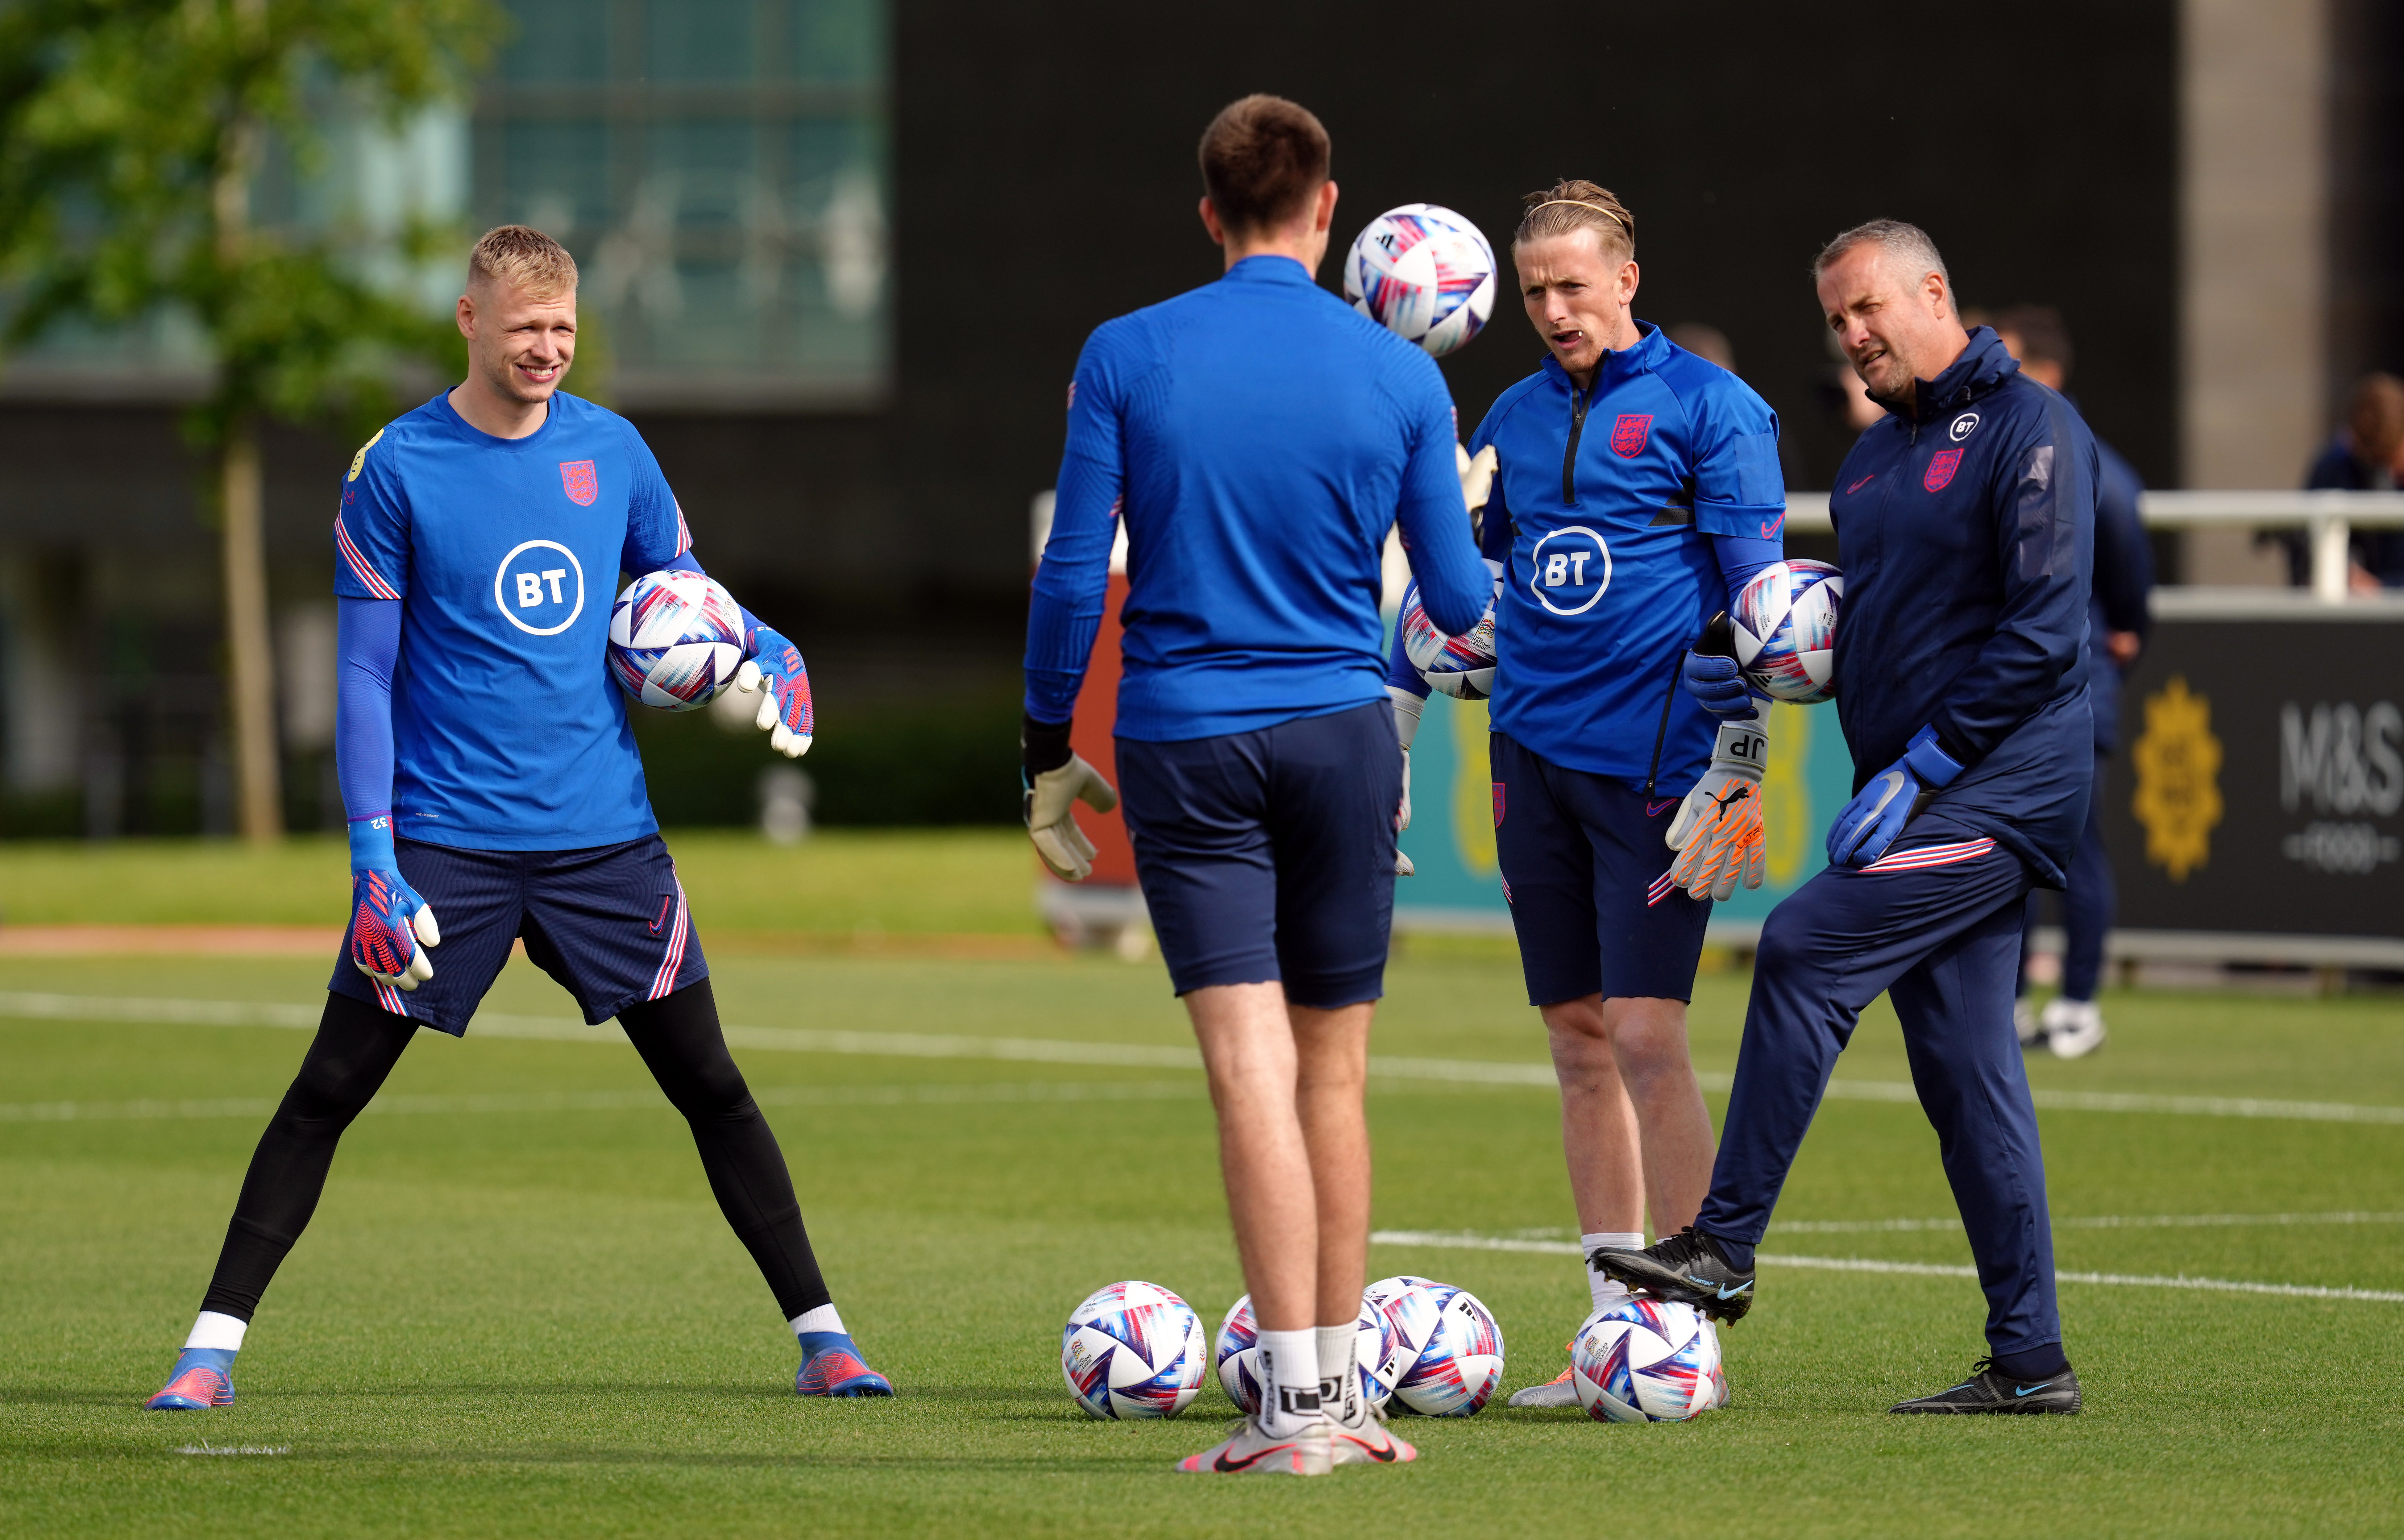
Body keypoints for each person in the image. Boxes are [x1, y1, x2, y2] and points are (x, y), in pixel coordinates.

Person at [144, 226, 891, 1412]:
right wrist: (372, 857)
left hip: (605, 840)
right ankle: (209, 1349)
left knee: (712, 1083)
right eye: (524, 327)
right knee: (329, 1086)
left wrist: (766, 640)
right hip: (446, 848)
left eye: (563, 329)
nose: (546, 348)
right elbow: (360, 676)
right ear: (469, 321)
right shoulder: (395, 468)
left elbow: (680, 596)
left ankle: (826, 1338)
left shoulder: (617, 449)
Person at [1020, 95, 1490, 1475]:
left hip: (1184, 736)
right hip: (1344, 735)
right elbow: (1457, 604)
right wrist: (1451, 494)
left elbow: (1068, 574)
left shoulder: (1125, 352)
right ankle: (1342, 1398)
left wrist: (1045, 747)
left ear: (1208, 212)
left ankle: (1284, 1415)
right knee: (1333, 1072)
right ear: (1330, 208)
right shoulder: (1402, 373)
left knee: (1248, 1069)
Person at [1598, 220, 2097, 1415]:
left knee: (1807, 941)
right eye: (1835, 321)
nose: (1853, 336)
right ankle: (2030, 1360)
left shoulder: (2034, 429)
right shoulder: (1872, 468)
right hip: (1921, 795)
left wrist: (1920, 764)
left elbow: (2042, 634)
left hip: (2001, 789)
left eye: (1868, 308)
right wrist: (1742, 654)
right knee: (1970, 1075)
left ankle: (1720, 1243)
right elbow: (1857, 627)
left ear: (1935, 291)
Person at [1385, 181, 1785, 1409]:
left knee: (1650, 1032)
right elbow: (1483, 581)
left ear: (1628, 277)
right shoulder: (1510, 408)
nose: (1555, 308)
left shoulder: (1715, 409)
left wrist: (1740, 764)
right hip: (1530, 760)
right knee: (1574, 1039)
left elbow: (1760, 605)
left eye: (1575, 284)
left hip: (1662, 766)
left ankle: (1690, 1320)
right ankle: (1613, 1330)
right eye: (1537, 289)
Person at [1992, 306, 2153, 1058]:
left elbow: (2129, 567)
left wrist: (2126, 629)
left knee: (2077, 853)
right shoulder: (2004, 446)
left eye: (2011, 360)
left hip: (2077, 690)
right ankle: (2015, 1002)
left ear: (2048, 374)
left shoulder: (2085, 455)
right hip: (2011, 696)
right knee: (2012, 854)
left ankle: (2080, 1004)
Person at [2300, 373, 2404, 590]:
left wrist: (2383, 591)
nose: (2388, 474)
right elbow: (2302, 556)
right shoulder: (2335, 466)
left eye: (2390, 460)